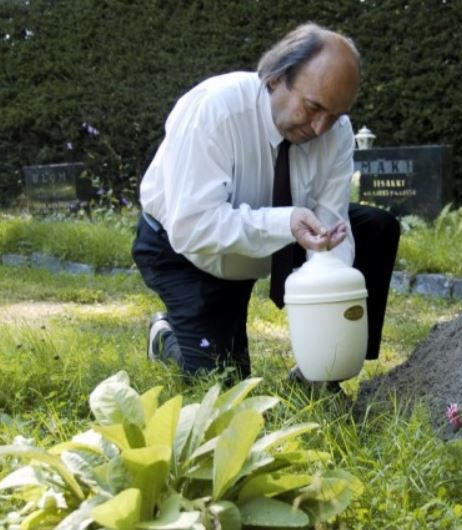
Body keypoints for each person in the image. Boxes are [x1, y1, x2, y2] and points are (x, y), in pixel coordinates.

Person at [131, 23, 400, 383]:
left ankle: (320, 376)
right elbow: (193, 227)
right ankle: (167, 338)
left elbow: (334, 223)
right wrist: (285, 223)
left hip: (270, 240)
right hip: (188, 254)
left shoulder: (336, 131)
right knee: (222, 386)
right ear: (275, 79)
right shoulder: (215, 109)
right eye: (313, 107)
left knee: (374, 229)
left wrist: (328, 333)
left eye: (334, 115)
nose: (321, 128)